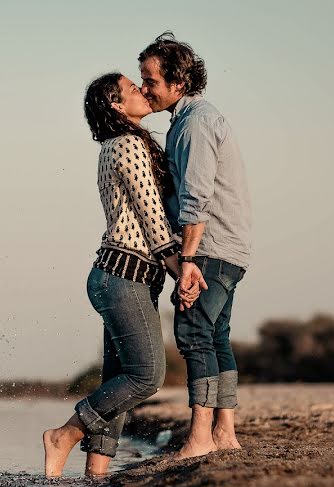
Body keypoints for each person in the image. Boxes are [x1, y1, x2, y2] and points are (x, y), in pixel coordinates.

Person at [43, 73, 200, 478]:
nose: (143, 92)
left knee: (118, 380)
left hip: (124, 278)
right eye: (133, 89)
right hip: (122, 276)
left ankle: (96, 475)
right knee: (146, 376)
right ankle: (63, 436)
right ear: (115, 105)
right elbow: (152, 219)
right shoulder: (127, 144)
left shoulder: (125, 143)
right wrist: (180, 268)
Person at [139, 33, 253, 458]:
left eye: (150, 80)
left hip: (210, 249)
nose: (145, 88)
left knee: (193, 335)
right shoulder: (191, 119)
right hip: (228, 247)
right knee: (216, 336)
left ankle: (201, 438)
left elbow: (196, 198)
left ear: (178, 84)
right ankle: (225, 432)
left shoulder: (196, 123)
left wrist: (187, 260)